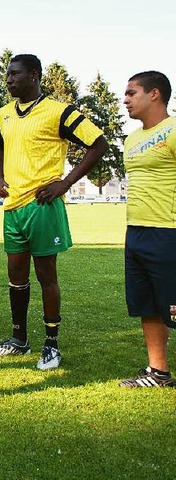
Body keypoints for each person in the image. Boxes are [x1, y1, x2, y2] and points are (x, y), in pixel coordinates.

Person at [0, 54, 107, 370]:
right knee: (16, 277)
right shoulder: (2, 115)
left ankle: (51, 345)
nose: (9, 79)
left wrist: (65, 183)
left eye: (15, 74)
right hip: (12, 208)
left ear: (34, 76)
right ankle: (18, 341)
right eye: (7, 74)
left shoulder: (59, 112)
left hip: (42, 205)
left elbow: (98, 143)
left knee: (46, 276)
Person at [118, 71, 176, 388]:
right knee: (148, 305)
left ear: (154, 94)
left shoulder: (174, 129)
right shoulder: (132, 139)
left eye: (131, 93)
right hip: (137, 233)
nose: (125, 100)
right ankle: (158, 373)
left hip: (169, 232)